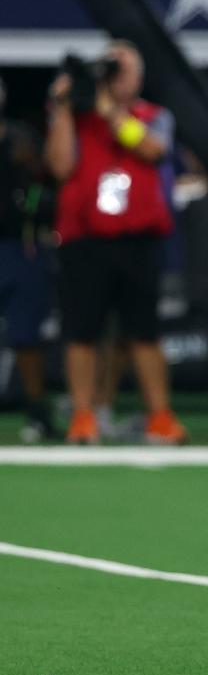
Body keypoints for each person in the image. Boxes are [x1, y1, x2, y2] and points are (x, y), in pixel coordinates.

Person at [44, 40, 186, 445]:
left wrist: (110, 112)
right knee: (82, 331)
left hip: (138, 240)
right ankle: (83, 416)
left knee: (145, 332)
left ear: (138, 78)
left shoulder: (154, 116)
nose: (115, 77)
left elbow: (153, 149)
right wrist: (64, 108)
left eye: (122, 69)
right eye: (110, 70)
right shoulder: (78, 117)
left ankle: (160, 415)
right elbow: (59, 165)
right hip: (85, 240)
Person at [0, 75, 60, 442]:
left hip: (20, 248)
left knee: (26, 336)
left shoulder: (22, 141)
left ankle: (39, 412)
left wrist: (32, 167)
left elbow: (51, 181)